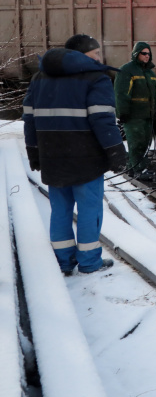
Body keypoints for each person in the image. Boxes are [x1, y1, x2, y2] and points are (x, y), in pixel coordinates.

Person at [22, 34, 127, 276]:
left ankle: (63, 260)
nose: (100, 58)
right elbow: (103, 120)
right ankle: (90, 262)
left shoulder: (39, 77)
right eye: (96, 53)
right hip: (86, 157)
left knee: (60, 209)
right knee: (90, 209)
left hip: (52, 155)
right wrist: (116, 152)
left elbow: (29, 119)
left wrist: (34, 151)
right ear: (81, 55)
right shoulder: (95, 78)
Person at [114, 41, 156, 178]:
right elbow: (121, 93)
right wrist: (122, 112)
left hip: (147, 115)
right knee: (136, 142)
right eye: (144, 53)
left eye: (149, 53)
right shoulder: (127, 70)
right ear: (137, 54)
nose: (147, 56)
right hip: (133, 116)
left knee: (145, 142)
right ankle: (137, 170)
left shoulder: (150, 73)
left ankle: (134, 167)